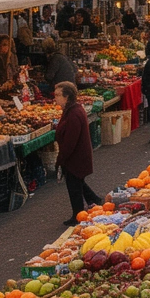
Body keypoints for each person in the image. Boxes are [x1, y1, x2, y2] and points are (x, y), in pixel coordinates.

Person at [54, 81, 98, 227]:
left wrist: (61, 159)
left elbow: (70, 142)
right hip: (77, 157)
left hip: (76, 158)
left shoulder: (73, 114)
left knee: (74, 187)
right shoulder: (72, 110)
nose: (55, 98)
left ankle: (78, 215)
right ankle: (95, 201)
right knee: (78, 183)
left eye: (58, 95)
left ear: (66, 97)